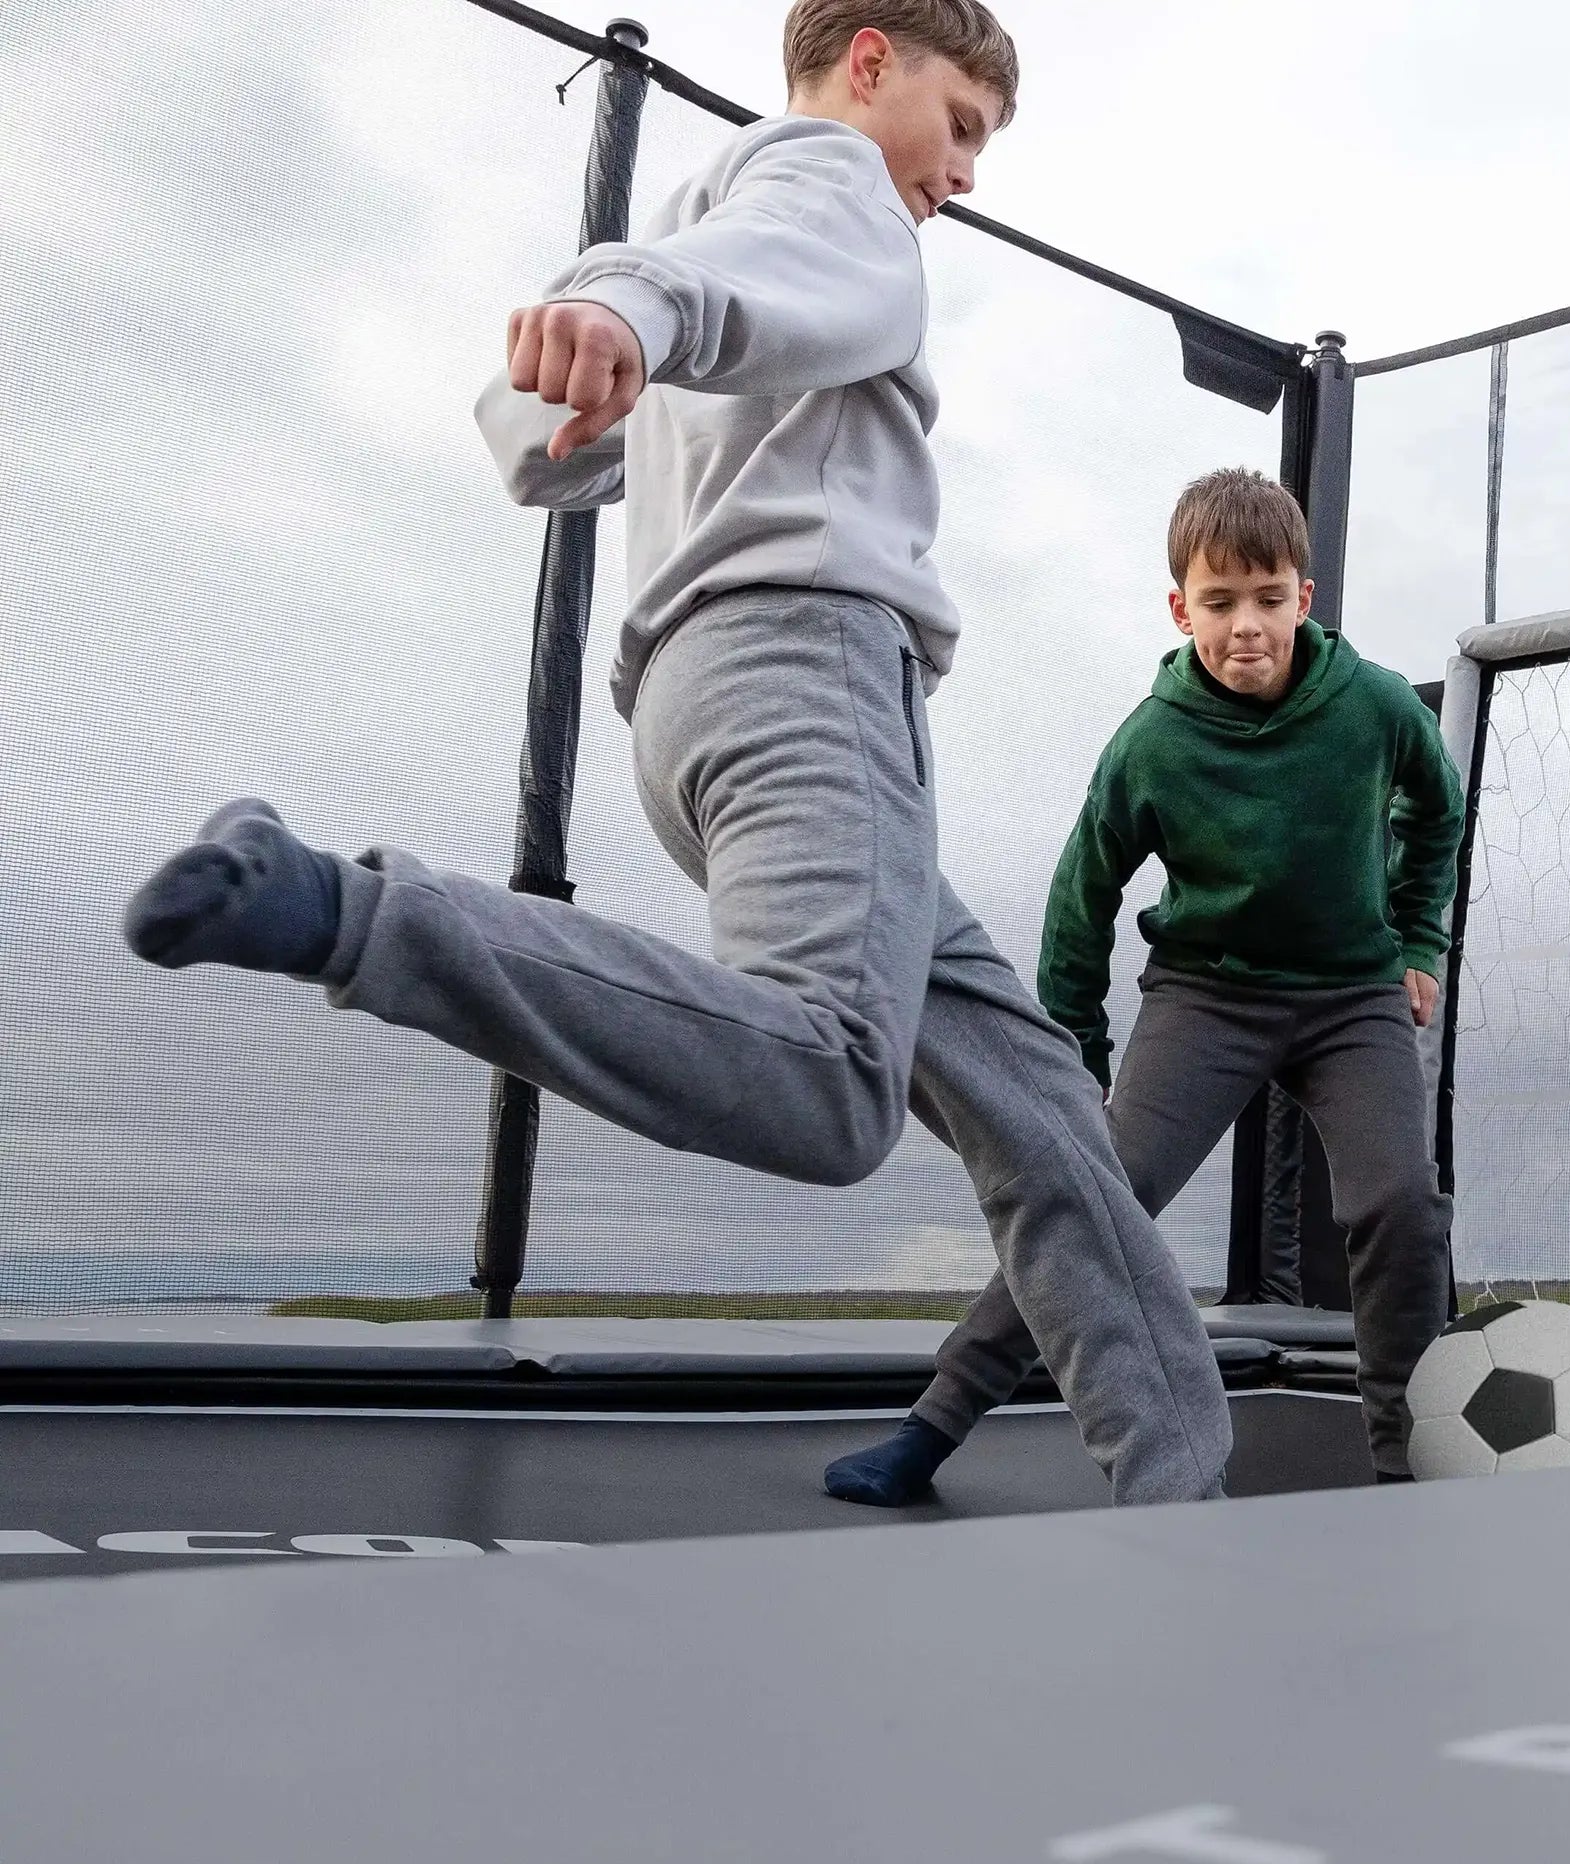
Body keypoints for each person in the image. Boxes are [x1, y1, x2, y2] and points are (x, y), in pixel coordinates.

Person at [119, 0, 1232, 1508]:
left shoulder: (718, 212)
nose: (965, 175)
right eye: (962, 125)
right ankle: (348, 912)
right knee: (834, 1086)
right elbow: (746, 271)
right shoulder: (829, 183)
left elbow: (530, 441)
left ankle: (1180, 1483)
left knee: (1030, 1095)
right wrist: (638, 307)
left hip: (715, 709)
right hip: (810, 682)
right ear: (868, 63)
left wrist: (616, 328)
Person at [827, 467, 1463, 1504]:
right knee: (1091, 1194)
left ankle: (1407, 1467)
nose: (1244, 626)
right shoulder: (1151, 742)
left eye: (1266, 599)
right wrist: (1073, 1063)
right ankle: (934, 1421)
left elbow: (1432, 810)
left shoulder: (1374, 706)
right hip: (1206, 996)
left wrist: (1417, 941)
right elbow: (1081, 896)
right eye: (1218, 603)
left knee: (1398, 1201)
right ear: (1181, 608)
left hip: (1350, 997)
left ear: (1303, 598)